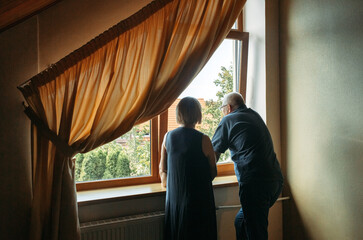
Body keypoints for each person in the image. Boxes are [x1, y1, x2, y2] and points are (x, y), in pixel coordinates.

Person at [212, 92, 283, 240]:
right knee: (241, 222)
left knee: (256, 232)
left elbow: (212, 156)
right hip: (275, 181)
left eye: (222, 108)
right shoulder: (254, 115)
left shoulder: (228, 120)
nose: (222, 112)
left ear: (229, 107)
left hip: (255, 184)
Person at [159, 97, 218, 240]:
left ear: (178, 113)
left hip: (175, 200)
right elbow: (213, 171)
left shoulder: (168, 137)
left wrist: (170, 184)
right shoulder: (204, 139)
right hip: (199, 200)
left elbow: (162, 169)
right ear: (198, 114)